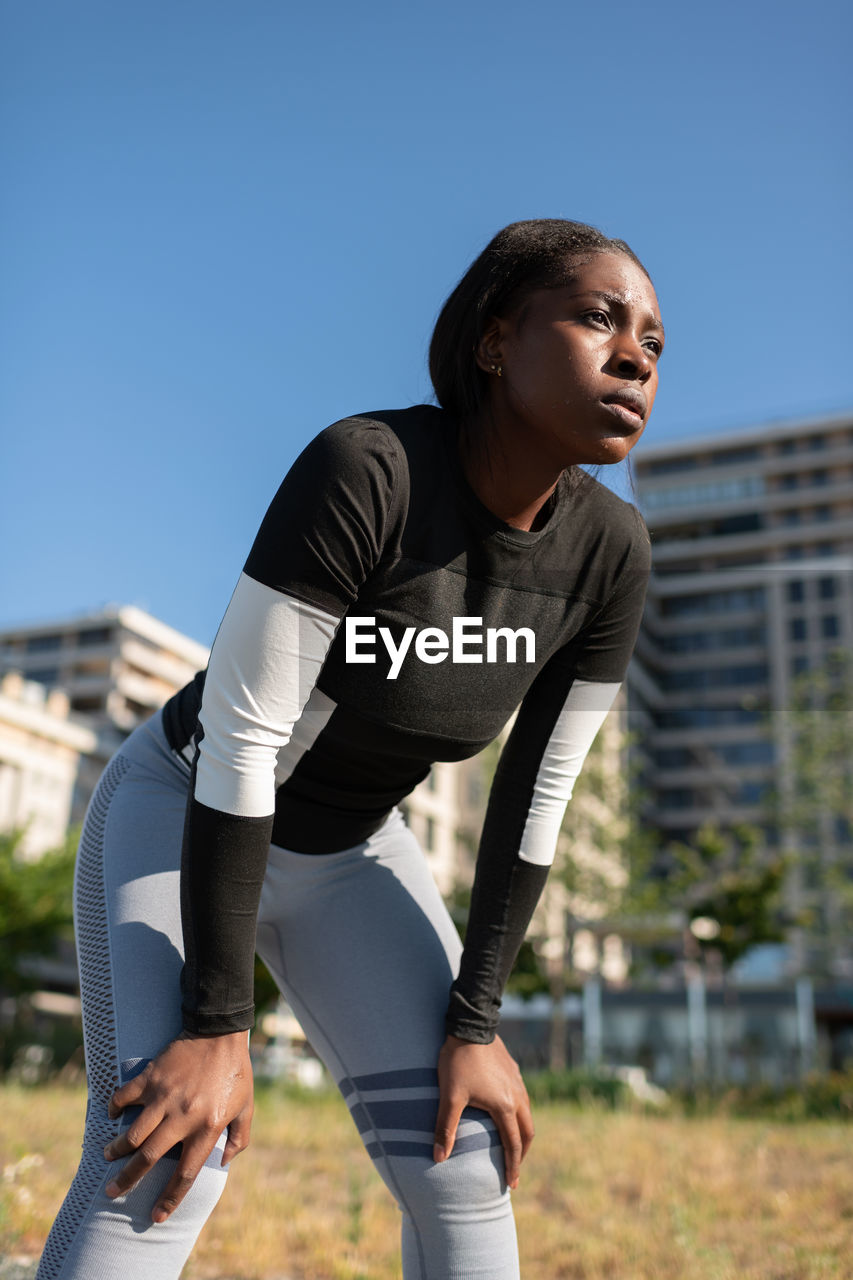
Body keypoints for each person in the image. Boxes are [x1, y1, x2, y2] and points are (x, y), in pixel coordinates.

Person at [38, 218, 664, 1280]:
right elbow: (243, 736)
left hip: (356, 853)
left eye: (653, 336)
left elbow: (539, 792)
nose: (636, 353)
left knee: (464, 1159)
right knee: (168, 1147)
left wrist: (476, 1020)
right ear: (494, 341)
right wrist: (218, 1021)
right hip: (185, 811)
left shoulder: (609, 551)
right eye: (598, 316)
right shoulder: (367, 467)